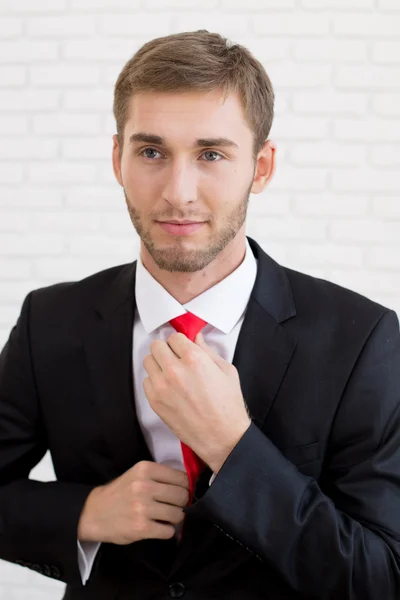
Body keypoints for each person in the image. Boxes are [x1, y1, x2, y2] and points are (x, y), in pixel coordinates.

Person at [0, 29, 400, 600]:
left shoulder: (362, 339)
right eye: (152, 152)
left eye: (211, 154)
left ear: (261, 168)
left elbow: (382, 575)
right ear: (118, 159)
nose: (178, 192)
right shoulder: (50, 320)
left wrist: (235, 447)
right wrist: (87, 512)